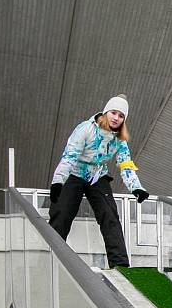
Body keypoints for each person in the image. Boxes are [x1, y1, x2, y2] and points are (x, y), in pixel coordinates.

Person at [49, 95, 149, 268]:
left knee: (109, 215)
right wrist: (58, 181)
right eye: (113, 113)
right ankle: (53, 256)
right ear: (106, 112)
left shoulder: (119, 139)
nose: (116, 118)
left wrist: (136, 188)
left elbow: (125, 164)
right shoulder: (86, 129)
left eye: (121, 116)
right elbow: (70, 155)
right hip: (74, 173)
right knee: (62, 213)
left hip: (98, 175)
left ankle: (120, 264)